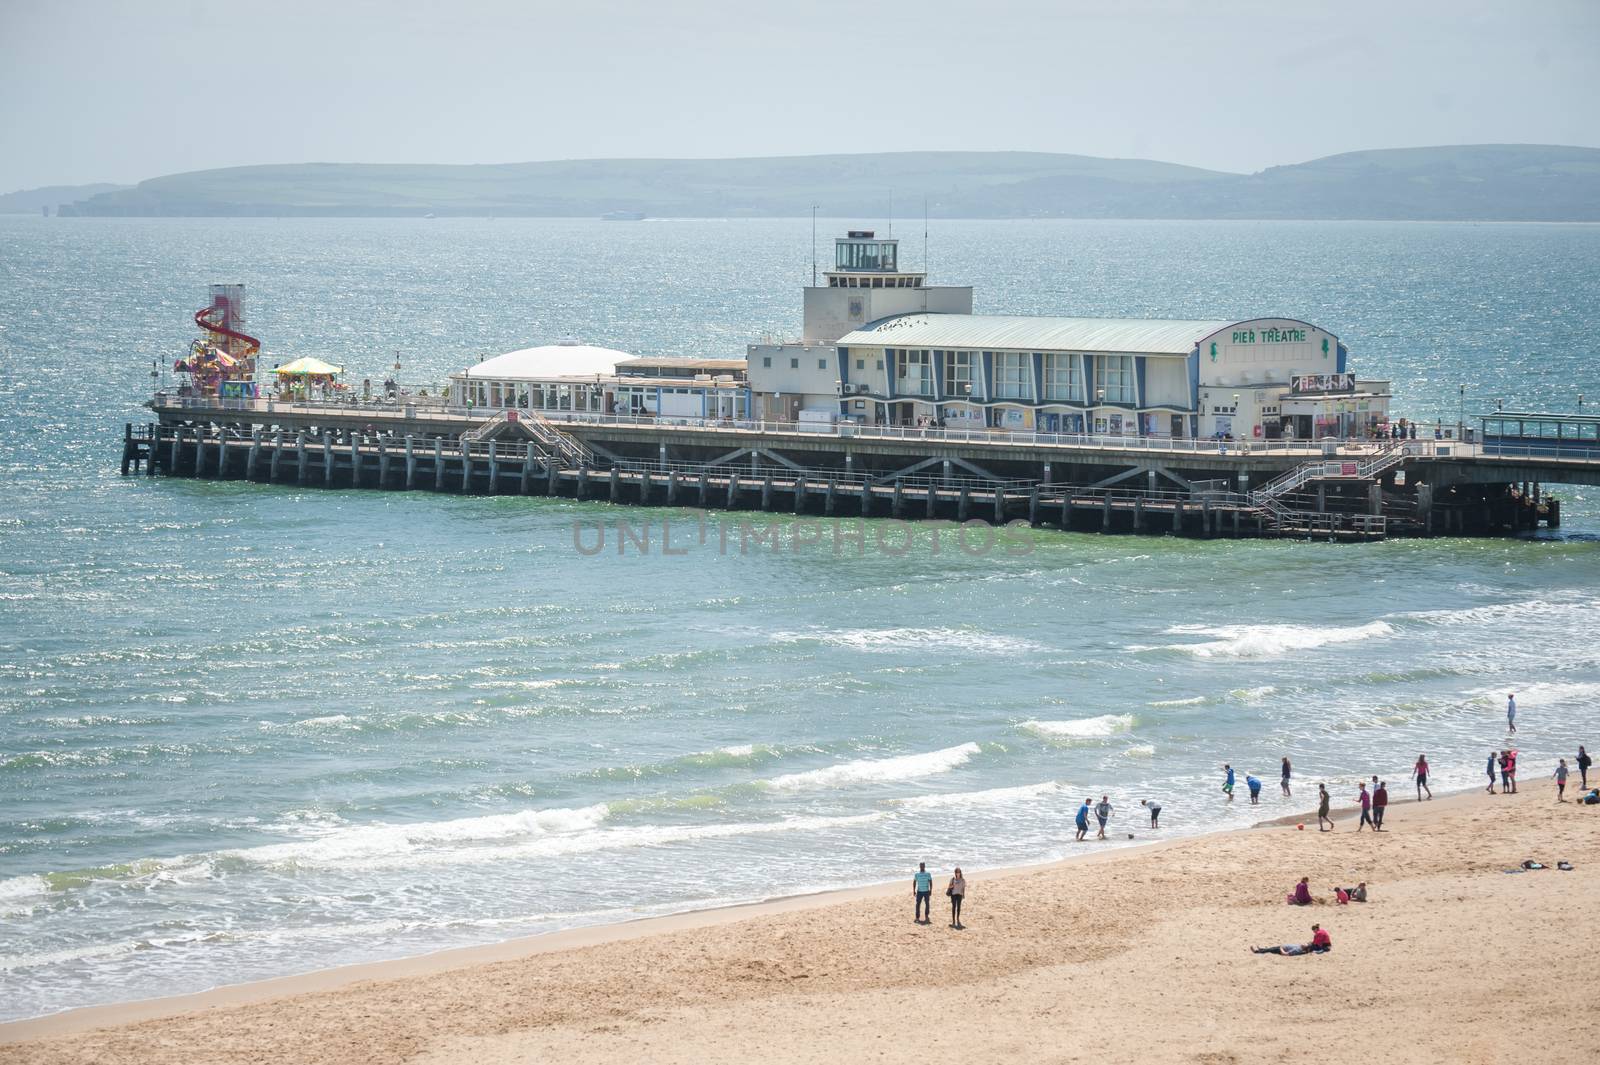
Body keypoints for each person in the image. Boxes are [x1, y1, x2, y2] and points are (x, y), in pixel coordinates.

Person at [1252, 924, 1331, 956]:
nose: (1313, 932)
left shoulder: (1298, 949)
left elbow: (1316, 943)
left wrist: (1281, 948)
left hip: (1283, 950)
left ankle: (1259, 951)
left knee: (1274, 949)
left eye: (1313, 931)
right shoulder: (1321, 931)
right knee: (1273, 948)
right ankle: (1261, 950)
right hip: (1323, 945)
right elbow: (1315, 943)